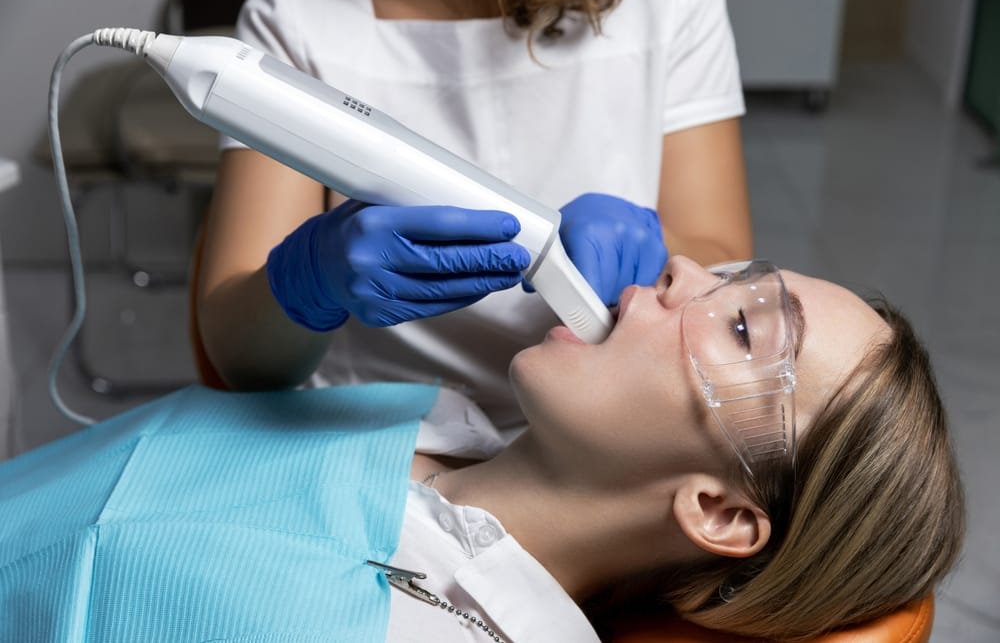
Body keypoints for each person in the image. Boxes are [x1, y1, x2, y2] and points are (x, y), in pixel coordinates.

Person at [0, 257, 964, 641]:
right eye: (731, 277)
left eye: (746, 331)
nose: (683, 269)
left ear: (717, 510)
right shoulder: (432, 417)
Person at [195, 0, 754, 434]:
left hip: (589, 437)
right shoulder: (298, 10)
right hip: (376, 436)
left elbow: (724, 259)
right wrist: (310, 277)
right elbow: (239, 357)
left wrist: (655, 254)